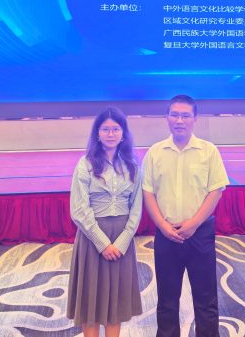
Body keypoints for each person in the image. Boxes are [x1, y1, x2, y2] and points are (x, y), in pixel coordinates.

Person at [142, 95, 230, 337]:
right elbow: (148, 192)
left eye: (185, 116)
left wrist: (194, 223)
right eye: (174, 115)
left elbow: (216, 190)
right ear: (167, 118)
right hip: (166, 234)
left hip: (200, 234)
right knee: (167, 300)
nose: (179, 120)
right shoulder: (155, 153)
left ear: (195, 119)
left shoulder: (209, 151)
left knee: (206, 299)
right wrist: (161, 225)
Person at [67, 107, 143, 337]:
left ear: (123, 133)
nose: (111, 134)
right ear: (97, 133)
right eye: (105, 129)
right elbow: (79, 209)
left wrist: (122, 242)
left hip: (121, 240)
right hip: (92, 239)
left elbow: (136, 209)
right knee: (91, 300)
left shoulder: (132, 166)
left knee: (115, 303)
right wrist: (102, 243)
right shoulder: (85, 164)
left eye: (116, 129)